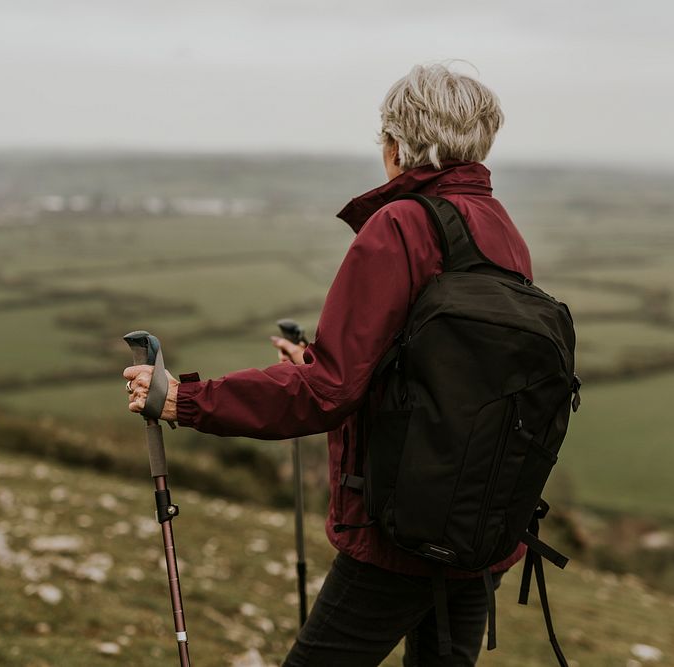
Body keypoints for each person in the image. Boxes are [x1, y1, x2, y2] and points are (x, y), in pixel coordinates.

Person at [123, 62, 531, 666]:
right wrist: (323, 359)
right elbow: (444, 371)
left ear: (397, 146)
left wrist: (187, 399)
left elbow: (328, 392)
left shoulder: (400, 225)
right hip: (481, 522)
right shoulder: (501, 230)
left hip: (401, 529)